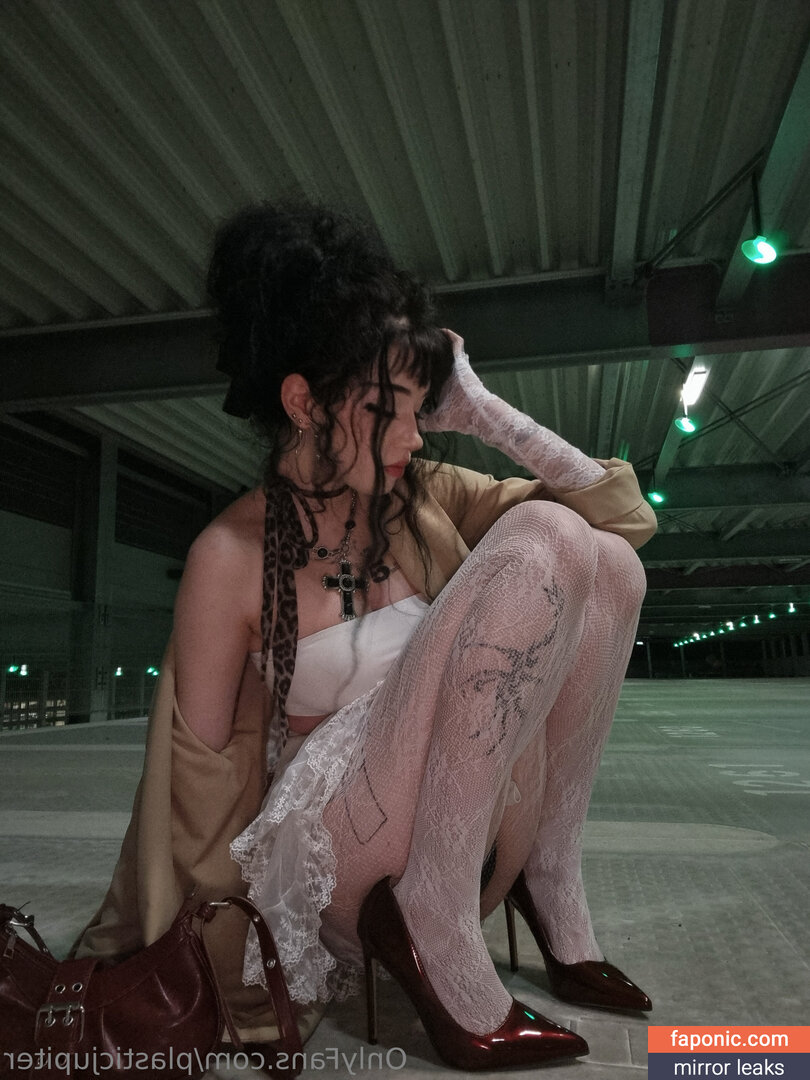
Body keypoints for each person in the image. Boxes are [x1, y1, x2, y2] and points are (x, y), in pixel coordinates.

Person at [75, 202, 657, 1072]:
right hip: (349, 869)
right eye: (391, 409)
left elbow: (628, 520)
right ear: (303, 401)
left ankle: (550, 877)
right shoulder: (228, 557)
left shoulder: (425, 495)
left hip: (471, 840)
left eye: (426, 409)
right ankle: (434, 929)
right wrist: (226, 964)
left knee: (606, 560)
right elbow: (196, 804)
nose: (415, 437)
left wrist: (487, 414)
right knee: (547, 535)